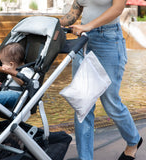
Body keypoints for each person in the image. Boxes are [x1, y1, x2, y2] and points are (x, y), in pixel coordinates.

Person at [60, 0, 143, 160]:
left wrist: (89, 26)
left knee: (110, 102)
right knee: (82, 105)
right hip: (83, 39)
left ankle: (133, 141)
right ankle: (85, 158)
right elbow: (74, 13)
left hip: (108, 40)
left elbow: (118, 9)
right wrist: (52, 24)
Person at [0, 42, 34, 108]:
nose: (2, 65)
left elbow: (22, 82)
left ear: (11, 64)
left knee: (9, 95)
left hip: (17, 97)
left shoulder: (26, 70)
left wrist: (12, 72)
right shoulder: (11, 71)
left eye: (3, 63)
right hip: (5, 93)